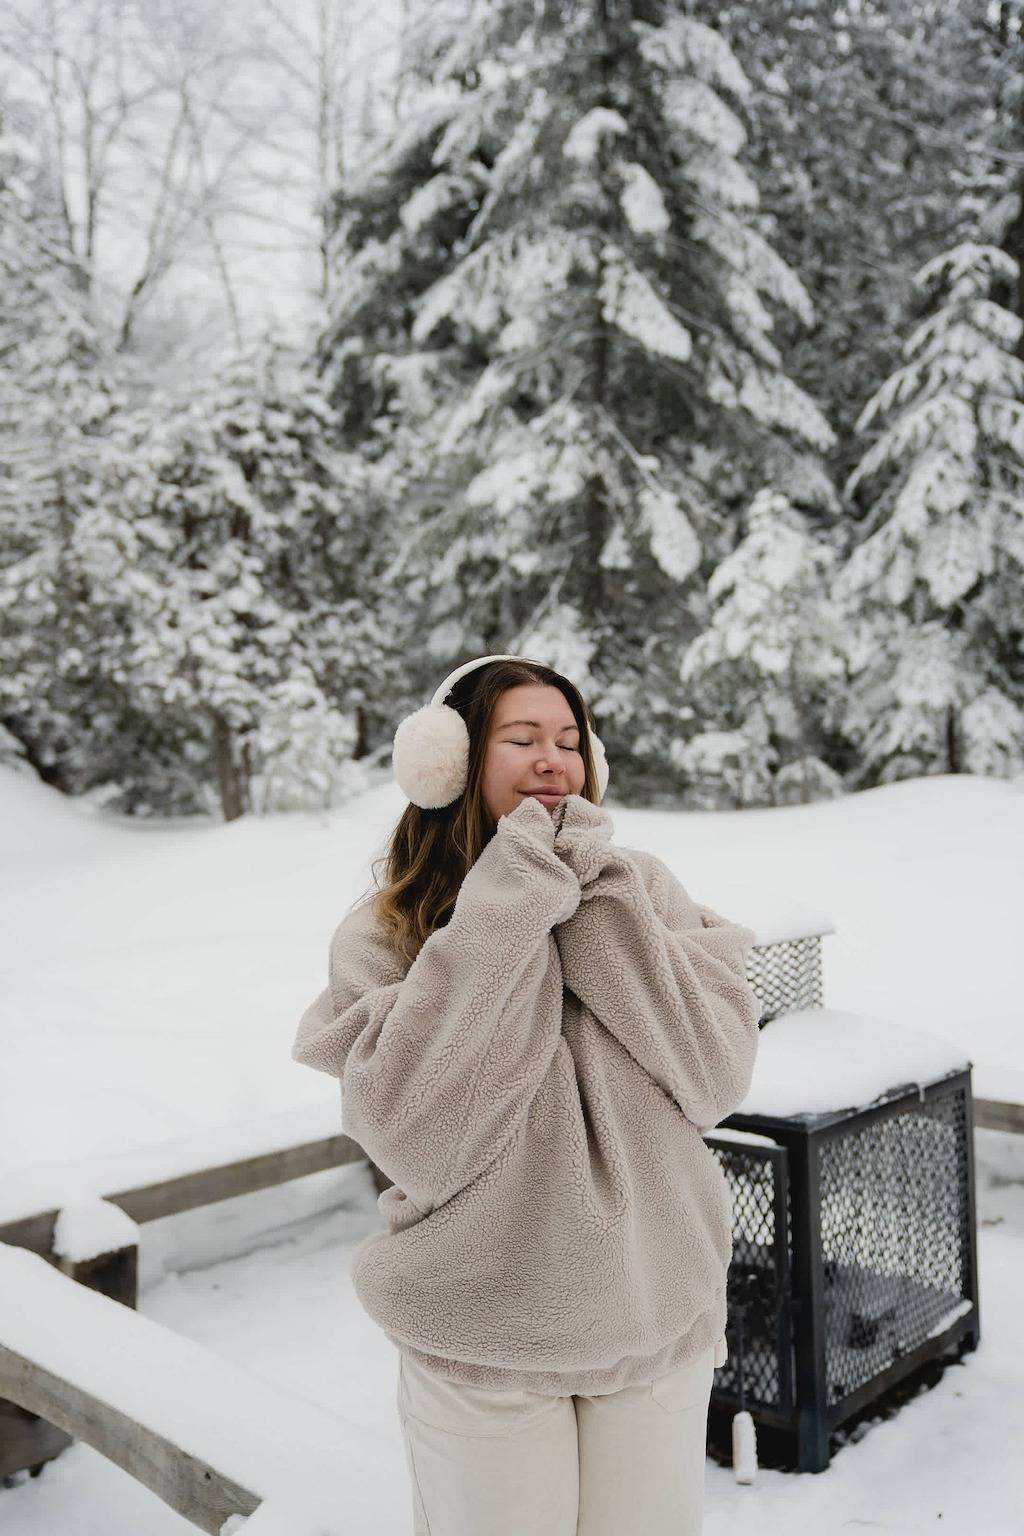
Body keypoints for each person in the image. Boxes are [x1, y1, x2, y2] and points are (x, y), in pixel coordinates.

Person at [291, 654, 761, 1536]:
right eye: (522, 738)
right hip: (482, 1334)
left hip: (655, 1314)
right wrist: (510, 900)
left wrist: (598, 895)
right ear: (452, 761)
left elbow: (713, 1074)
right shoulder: (387, 929)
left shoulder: (640, 886)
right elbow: (421, 1133)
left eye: (570, 741)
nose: (554, 760)